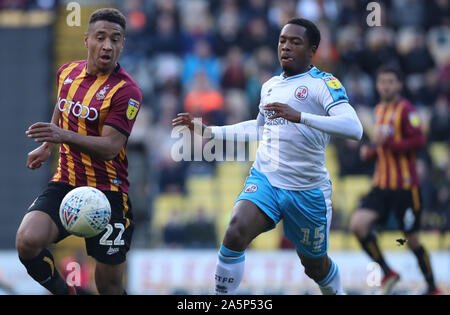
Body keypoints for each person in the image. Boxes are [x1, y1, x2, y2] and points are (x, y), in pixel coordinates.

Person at [173, 18, 363, 295]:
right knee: (235, 230)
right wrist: (210, 131)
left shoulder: (324, 83)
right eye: (282, 41)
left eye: (295, 42)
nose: (286, 47)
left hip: (307, 191)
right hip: (267, 180)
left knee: (314, 266)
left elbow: (354, 128)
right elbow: (260, 128)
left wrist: (300, 117)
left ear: (312, 50)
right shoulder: (270, 85)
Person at [16, 8, 142, 295]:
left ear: (122, 44)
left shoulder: (126, 91)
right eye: (101, 37)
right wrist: (48, 144)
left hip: (109, 193)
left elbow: (111, 148)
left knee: (108, 285)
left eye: (116, 39)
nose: (108, 45)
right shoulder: (67, 73)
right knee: (27, 240)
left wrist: (61, 136)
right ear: (86, 40)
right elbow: (63, 106)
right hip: (66, 183)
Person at [349, 65, 441, 295]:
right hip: (381, 185)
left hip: (405, 187)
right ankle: (388, 272)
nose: (386, 86)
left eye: (390, 82)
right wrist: (370, 151)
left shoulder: (407, 110)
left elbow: (419, 141)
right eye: (382, 82)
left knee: (412, 239)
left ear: (399, 85)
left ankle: (432, 287)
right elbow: (381, 146)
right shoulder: (379, 110)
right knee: (357, 225)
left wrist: (385, 144)